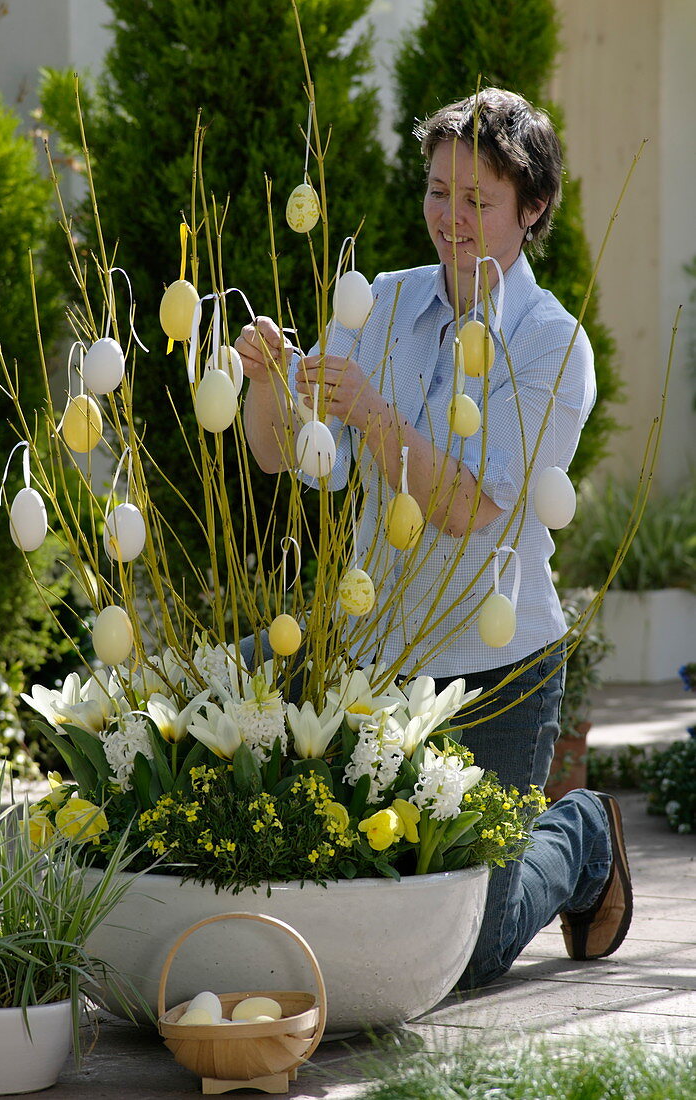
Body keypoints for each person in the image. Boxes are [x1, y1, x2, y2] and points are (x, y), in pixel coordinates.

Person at [235, 88, 631, 989]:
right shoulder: (378, 302)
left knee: (471, 951)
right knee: (359, 890)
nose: (450, 219)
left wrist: (372, 411)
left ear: (531, 212)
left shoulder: (553, 345)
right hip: (376, 653)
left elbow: (468, 506)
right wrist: (267, 381)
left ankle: (582, 836)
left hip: (498, 669)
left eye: (479, 201)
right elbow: (285, 457)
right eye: (438, 191)